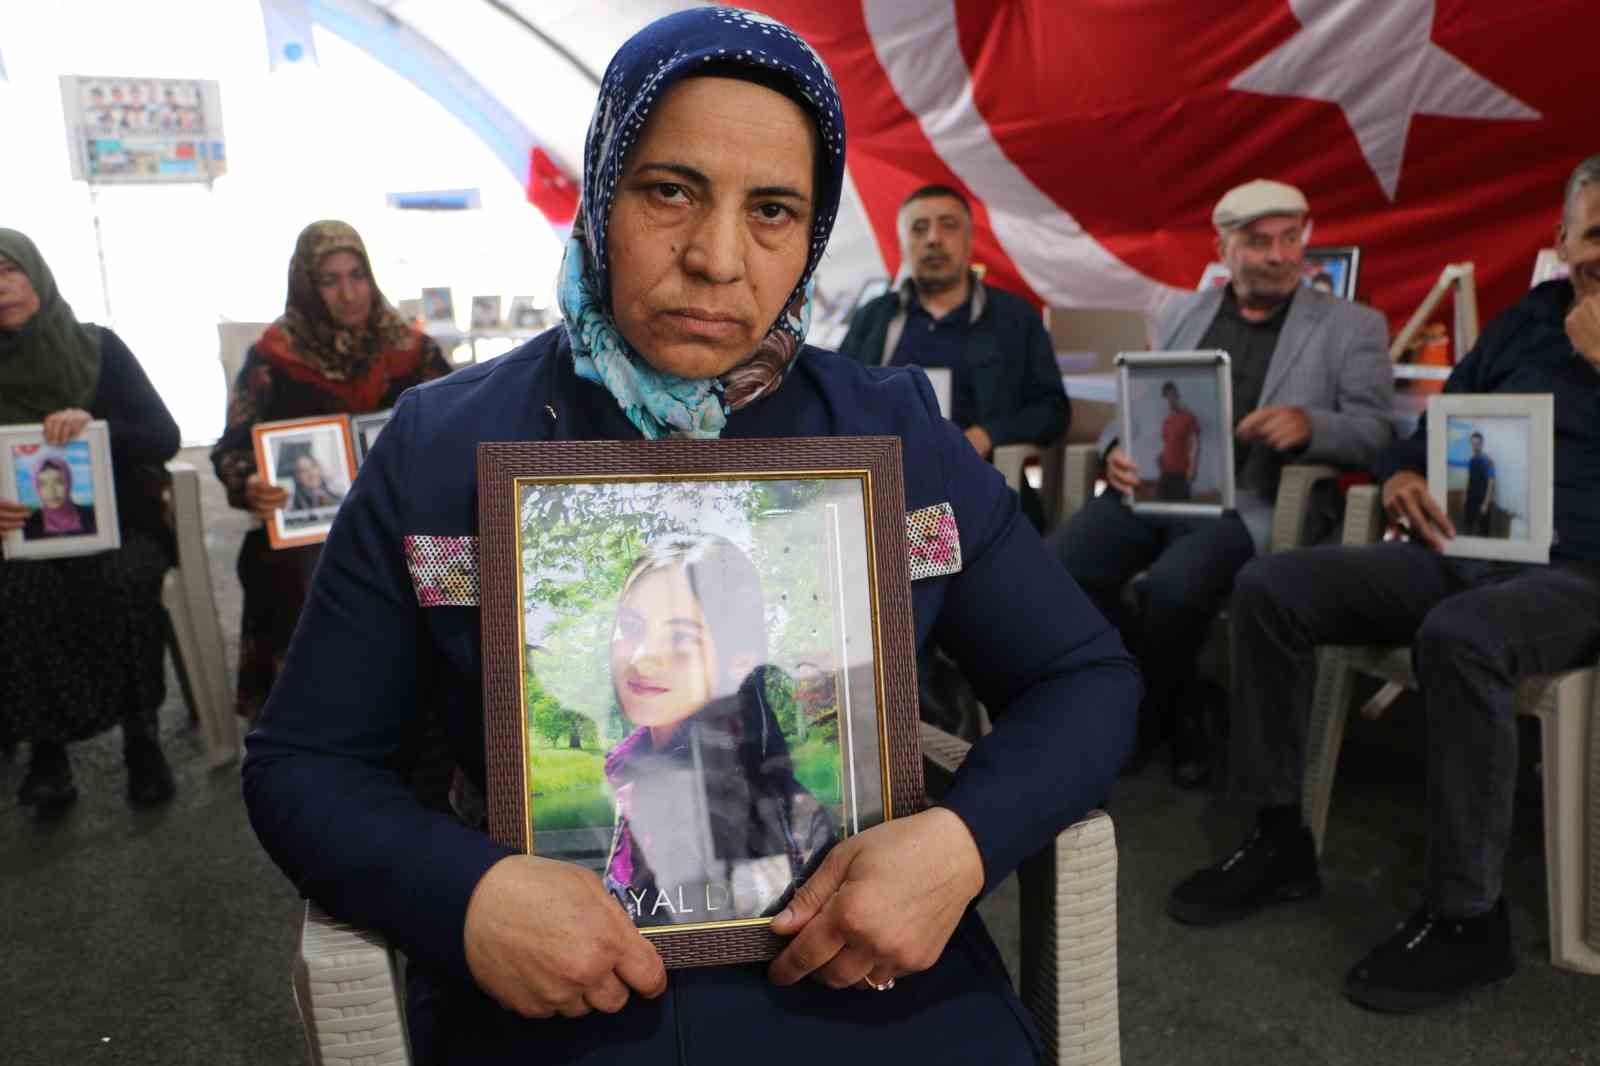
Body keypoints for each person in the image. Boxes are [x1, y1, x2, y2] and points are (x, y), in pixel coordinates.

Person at [243, 10, 1138, 1064]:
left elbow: (1085, 677)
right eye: (668, 190)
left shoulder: (892, 435)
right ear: (599, 191)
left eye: (772, 211)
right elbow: (303, 760)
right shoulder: (443, 450)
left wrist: (958, 843)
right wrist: (470, 895)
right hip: (559, 997)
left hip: (869, 986)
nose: (716, 258)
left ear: (813, 235)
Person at [1168, 154, 1600, 1012]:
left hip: (1582, 570)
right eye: (1597, 235)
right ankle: (1278, 837)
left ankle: (1469, 919)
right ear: (1562, 241)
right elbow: (1427, 432)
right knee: (1272, 585)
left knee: (1463, 634)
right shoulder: (1526, 323)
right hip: (1468, 547)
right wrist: (1404, 474)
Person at [1050, 178, 1393, 787]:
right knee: (1061, 569)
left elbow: (1376, 431)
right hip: (1159, 487)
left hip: (1253, 502)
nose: (1281, 255)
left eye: (1292, 238)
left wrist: (1310, 425)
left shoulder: (1352, 325)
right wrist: (1115, 449)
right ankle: (1179, 692)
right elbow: (1140, 401)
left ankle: (1153, 715)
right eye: (1260, 242)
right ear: (1224, 247)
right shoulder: (1184, 311)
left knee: (1176, 591)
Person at [210, 220, 451, 722]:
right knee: (298, 570)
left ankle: (440, 715)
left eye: (357, 275)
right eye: (329, 280)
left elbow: (459, 425)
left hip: (404, 518)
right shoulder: (273, 358)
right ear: (306, 285)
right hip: (310, 527)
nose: (348, 294)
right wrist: (250, 484)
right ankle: (320, 722)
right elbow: (232, 448)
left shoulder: (412, 351)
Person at [0, 228, 181, 811]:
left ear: (36, 275)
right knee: (20, 590)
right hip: (17, 541)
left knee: (123, 580)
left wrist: (94, 427)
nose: (0, 288)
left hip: (119, 527)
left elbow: (164, 435)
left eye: (9, 270)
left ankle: (141, 737)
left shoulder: (99, 349)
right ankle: (47, 750)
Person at [600, 535, 835, 926]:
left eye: (681, 637)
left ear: (739, 659)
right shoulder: (632, 769)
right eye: (630, 625)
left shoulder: (772, 812)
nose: (641, 659)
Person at [837, 184, 1068, 526]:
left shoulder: (1015, 318)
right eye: (919, 228)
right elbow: (838, 396)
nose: (933, 238)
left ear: (970, 239)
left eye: (948, 225)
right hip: (885, 488)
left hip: (981, 484)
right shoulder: (875, 317)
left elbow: (1054, 410)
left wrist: (988, 435)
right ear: (902, 244)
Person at [22, 455, 98, 539]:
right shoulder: (28, 524)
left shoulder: (94, 515)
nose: (51, 491)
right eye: (42, 484)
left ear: (69, 482)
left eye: (59, 482)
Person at [1156, 381, 1200, 501]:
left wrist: (1193, 468)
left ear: (1177, 395)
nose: (1170, 400)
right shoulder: (1167, 421)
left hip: (1181, 473)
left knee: (1182, 507)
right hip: (1165, 471)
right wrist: (1160, 457)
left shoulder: (1188, 417)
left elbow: (1196, 442)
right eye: (1166, 396)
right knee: (1160, 506)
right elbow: (1167, 444)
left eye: (1172, 395)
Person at [277, 446, 344, 513]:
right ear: (297, 477)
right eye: (304, 471)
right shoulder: (294, 504)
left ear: (319, 467)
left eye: (313, 467)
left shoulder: (334, 491)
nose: (312, 474)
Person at [1462, 431, 1496, 536]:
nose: (1475, 446)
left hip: (1482, 500)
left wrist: (1485, 504)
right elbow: (1469, 478)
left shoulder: (1488, 461)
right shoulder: (1471, 460)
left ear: (1482, 444)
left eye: (1477, 443)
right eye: (1473, 443)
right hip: (1470, 498)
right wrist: (1464, 495)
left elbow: (1491, 483)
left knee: (1483, 531)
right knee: (1468, 527)